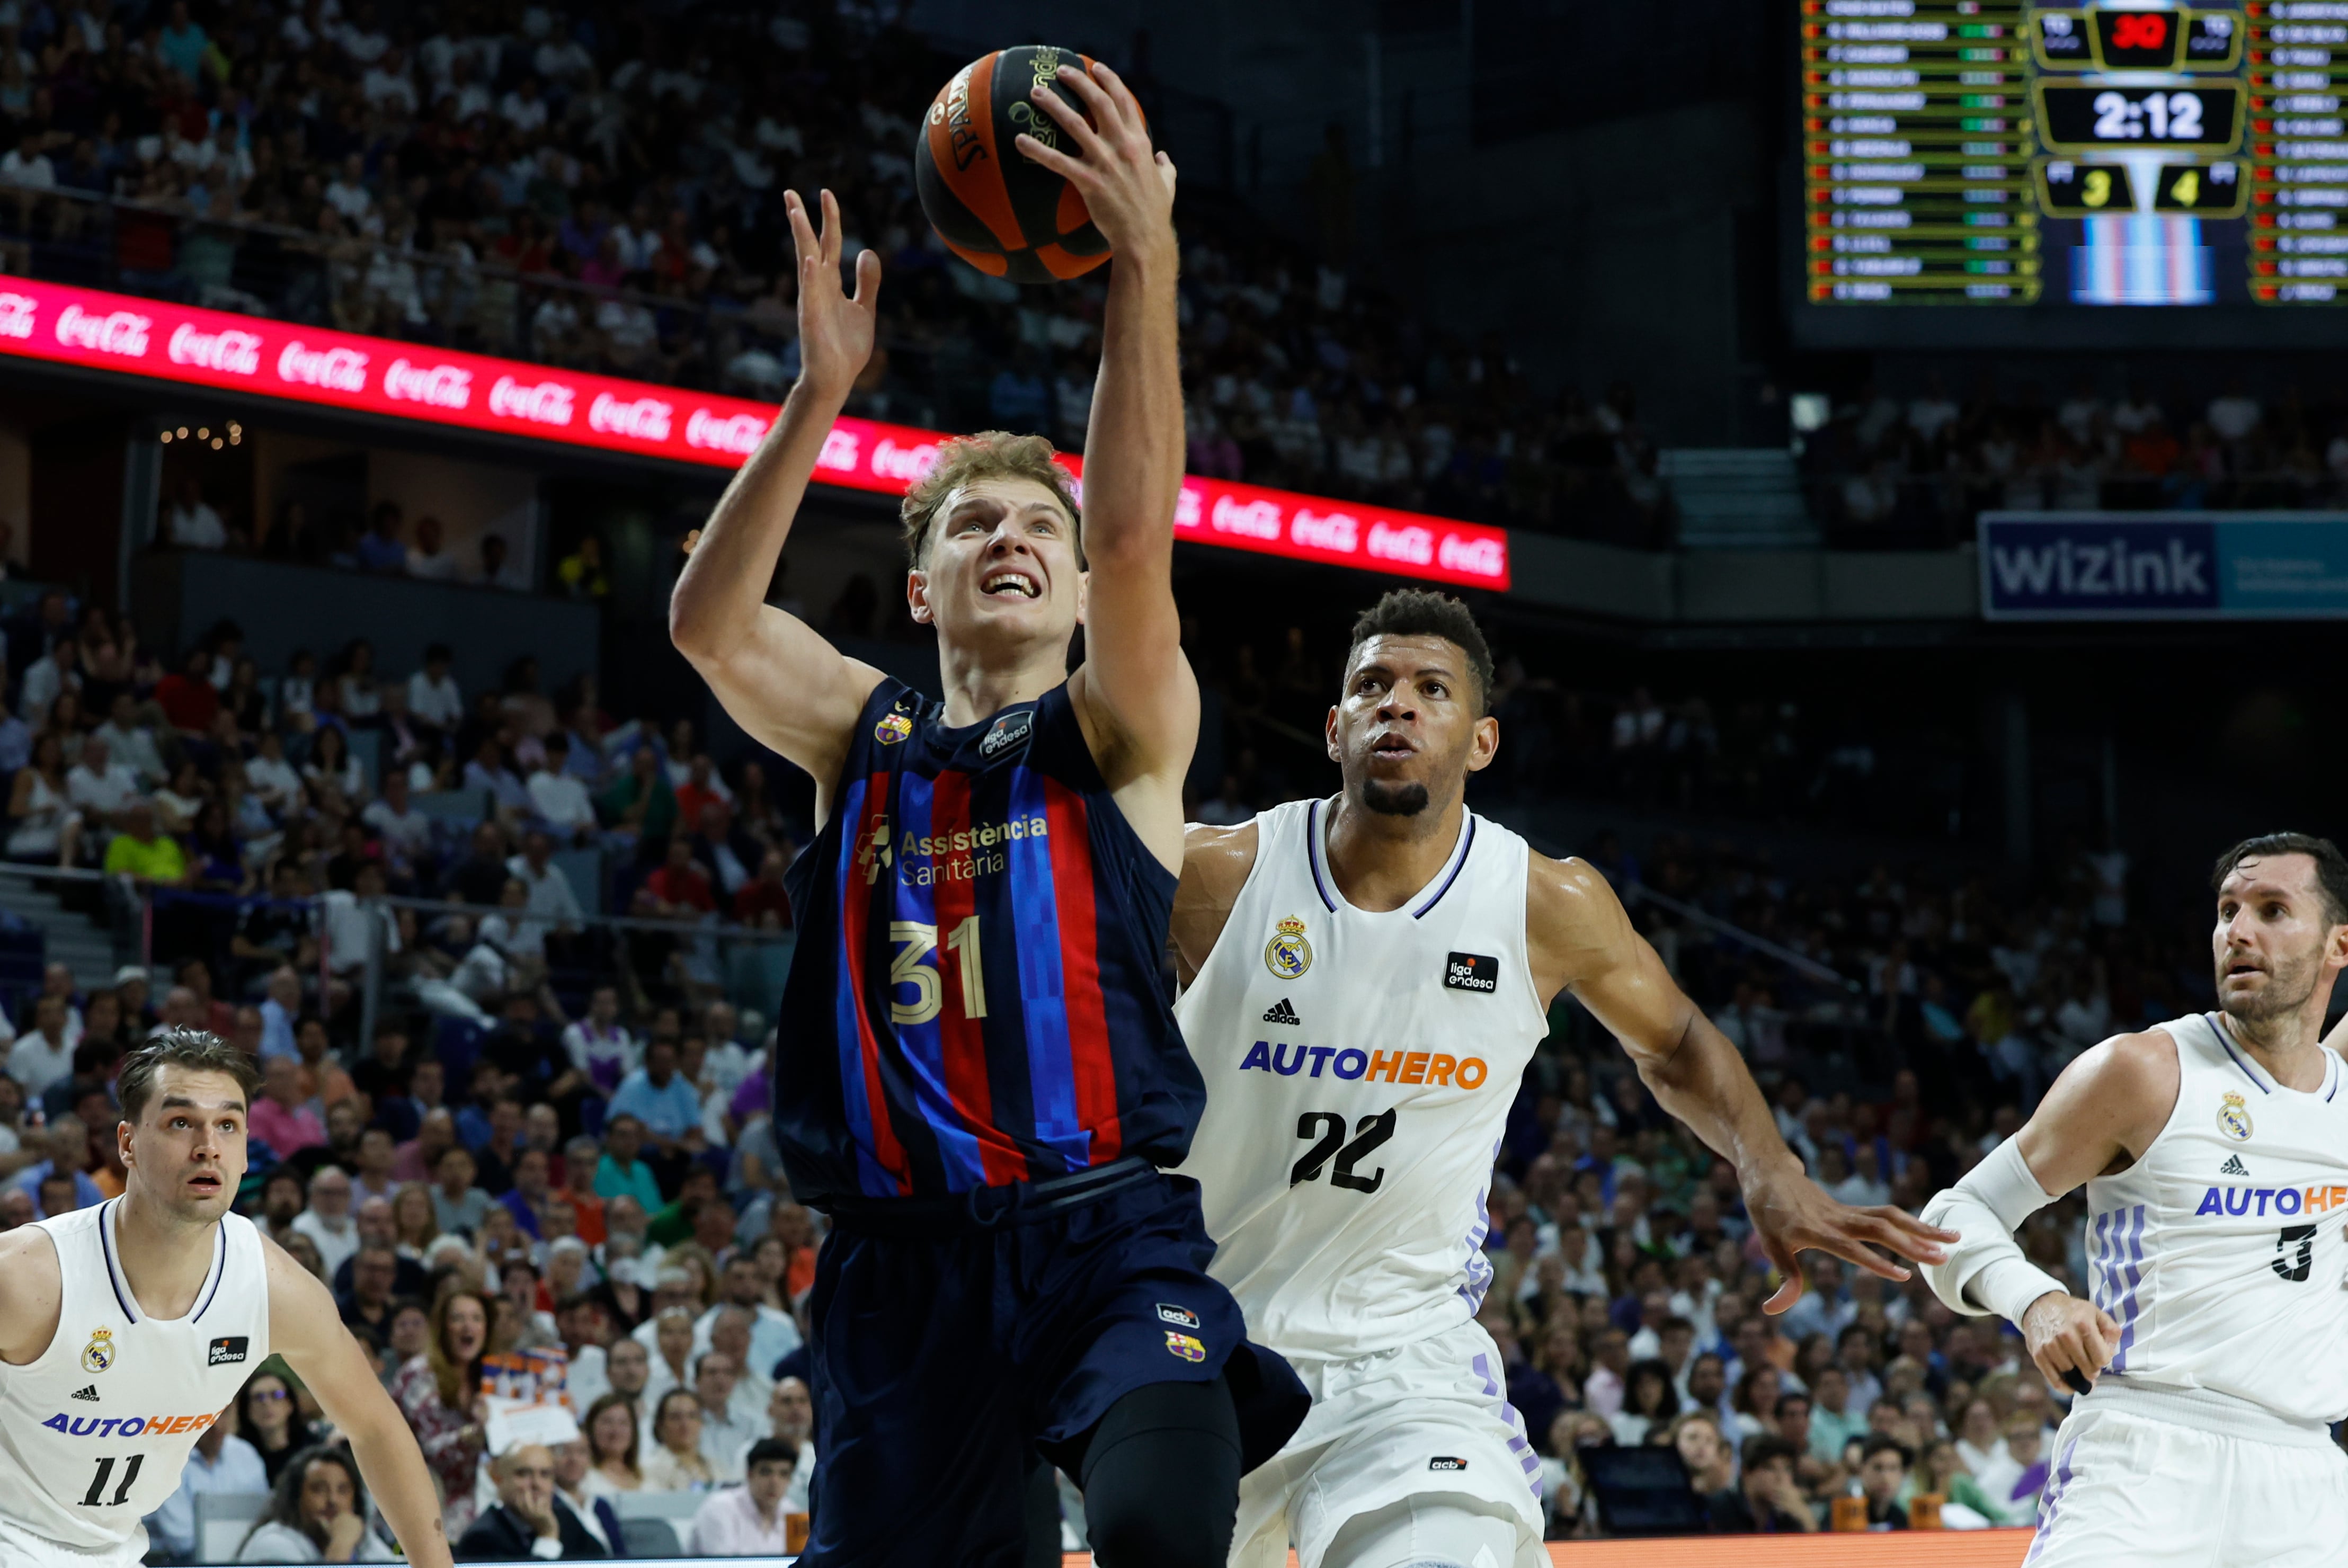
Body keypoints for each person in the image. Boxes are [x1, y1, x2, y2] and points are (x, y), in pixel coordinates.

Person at [668, 76, 1308, 1568]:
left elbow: (1141, 528)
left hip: (1103, 1238)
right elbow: (708, 621)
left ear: (1081, 587)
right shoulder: (861, 735)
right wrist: (819, 394)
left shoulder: (1119, 729)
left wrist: (1142, 267)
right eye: (971, 524)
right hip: (900, 1278)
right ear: (919, 587)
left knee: (1158, 1530)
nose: (1010, 538)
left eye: (1039, 526)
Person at [1168, 590, 1953, 1568]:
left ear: (1482, 740)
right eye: (1371, 686)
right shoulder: (1215, 879)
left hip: (1402, 1366)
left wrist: (1768, 1169)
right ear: (1334, 728)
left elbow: (1674, 1044)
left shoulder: (1547, 902)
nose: (1396, 706)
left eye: (1430, 689)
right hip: (1201, 1340)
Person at [1925, 833, 2348, 1566]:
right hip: (2145, 1453)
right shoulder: (2144, 1071)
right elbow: (1953, 1216)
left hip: (2305, 1474)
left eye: (2273, 910)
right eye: (2226, 911)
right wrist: (2038, 1302)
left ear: (2339, 945)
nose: (2238, 932)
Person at [0, 1031, 455, 1567]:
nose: (207, 1145)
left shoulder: (273, 1288)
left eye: (228, 1124)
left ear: (243, 1154)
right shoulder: (28, 1278)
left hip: (116, 1550)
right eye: (180, 1122)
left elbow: (375, 1426)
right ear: (127, 1143)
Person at [387, 1289, 497, 1539]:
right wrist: (473, 1433)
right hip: (425, 1503)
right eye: (458, 1318)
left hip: (483, 1502)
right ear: (443, 1327)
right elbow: (430, 1452)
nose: (468, 1326)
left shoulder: (494, 1377)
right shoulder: (420, 1374)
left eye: (477, 1319)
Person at [142, 1395, 267, 1561]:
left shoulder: (245, 1454)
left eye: (224, 1412)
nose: (217, 1424)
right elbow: (183, 1541)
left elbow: (264, 1520)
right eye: (208, 1416)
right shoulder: (168, 1458)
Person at [236, 1444, 398, 1562]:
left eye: (343, 1490)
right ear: (295, 1498)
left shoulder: (363, 1540)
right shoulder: (273, 1545)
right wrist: (341, 1546)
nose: (333, 1500)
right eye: (319, 1489)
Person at [453, 1443, 607, 1561]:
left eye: (545, 1474)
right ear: (498, 1479)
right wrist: (548, 1536)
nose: (537, 1484)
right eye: (524, 1474)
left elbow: (602, 1559)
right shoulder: (482, 1538)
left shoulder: (564, 1518)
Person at [690, 1437, 797, 1555]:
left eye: (784, 1474)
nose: (774, 1482)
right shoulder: (720, 1508)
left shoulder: (791, 1512)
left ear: (790, 1480)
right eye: (766, 1472)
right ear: (749, 1475)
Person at [243, 1368, 323, 1486]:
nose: (267, 1403)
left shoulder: (315, 1450)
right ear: (247, 1410)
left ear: (290, 1405)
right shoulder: (238, 1454)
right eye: (259, 1397)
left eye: (276, 1395)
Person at [641, 1388, 714, 1491]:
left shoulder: (716, 1468)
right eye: (675, 1417)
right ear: (660, 1425)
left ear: (701, 1423)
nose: (685, 1424)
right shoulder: (648, 1469)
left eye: (692, 1416)